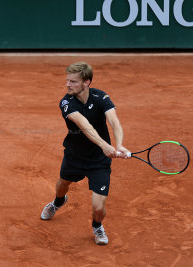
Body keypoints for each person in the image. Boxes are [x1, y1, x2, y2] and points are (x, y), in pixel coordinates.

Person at [41, 62, 130, 245]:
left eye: (73, 81)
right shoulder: (66, 102)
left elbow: (114, 121)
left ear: (86, 82)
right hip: (75, 155)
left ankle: (97, 226)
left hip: (99, 161)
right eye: (68, 80)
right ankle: (58, 202)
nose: (68, 85)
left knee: (99, 207)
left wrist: (119, 144)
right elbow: (85, 127)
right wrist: (106, 146)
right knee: (62, 184)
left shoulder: (101, 96)